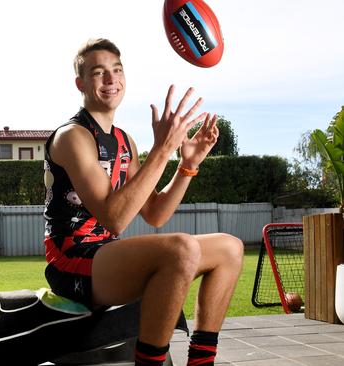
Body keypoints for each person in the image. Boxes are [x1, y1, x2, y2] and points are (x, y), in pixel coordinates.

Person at [43, 38, 243, 366]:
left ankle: (200, 362)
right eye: (99, 72)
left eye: (117, 70)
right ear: (80, 83)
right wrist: (163, 148)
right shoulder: (72, 136)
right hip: (72, 262)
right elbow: (115, 218)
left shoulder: (124, 142)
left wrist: (186, 165)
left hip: (106, 256)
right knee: (182, 248)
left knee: (230, 248)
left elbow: (155, 213)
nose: (111, 79)